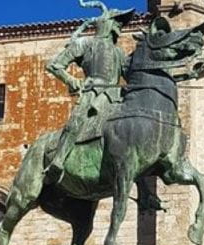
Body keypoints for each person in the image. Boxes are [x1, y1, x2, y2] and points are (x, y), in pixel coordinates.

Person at [44, 4, 135, 183]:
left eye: (121, 23)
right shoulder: (85, 44)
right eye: (117, 21)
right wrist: (71, 80)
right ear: (106, 23)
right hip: (92, 92)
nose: (120, 26)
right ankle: (59, 160)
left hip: (115, 96)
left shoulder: (118, 52)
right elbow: (54, 65)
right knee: (77, 120)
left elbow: (130, 75)